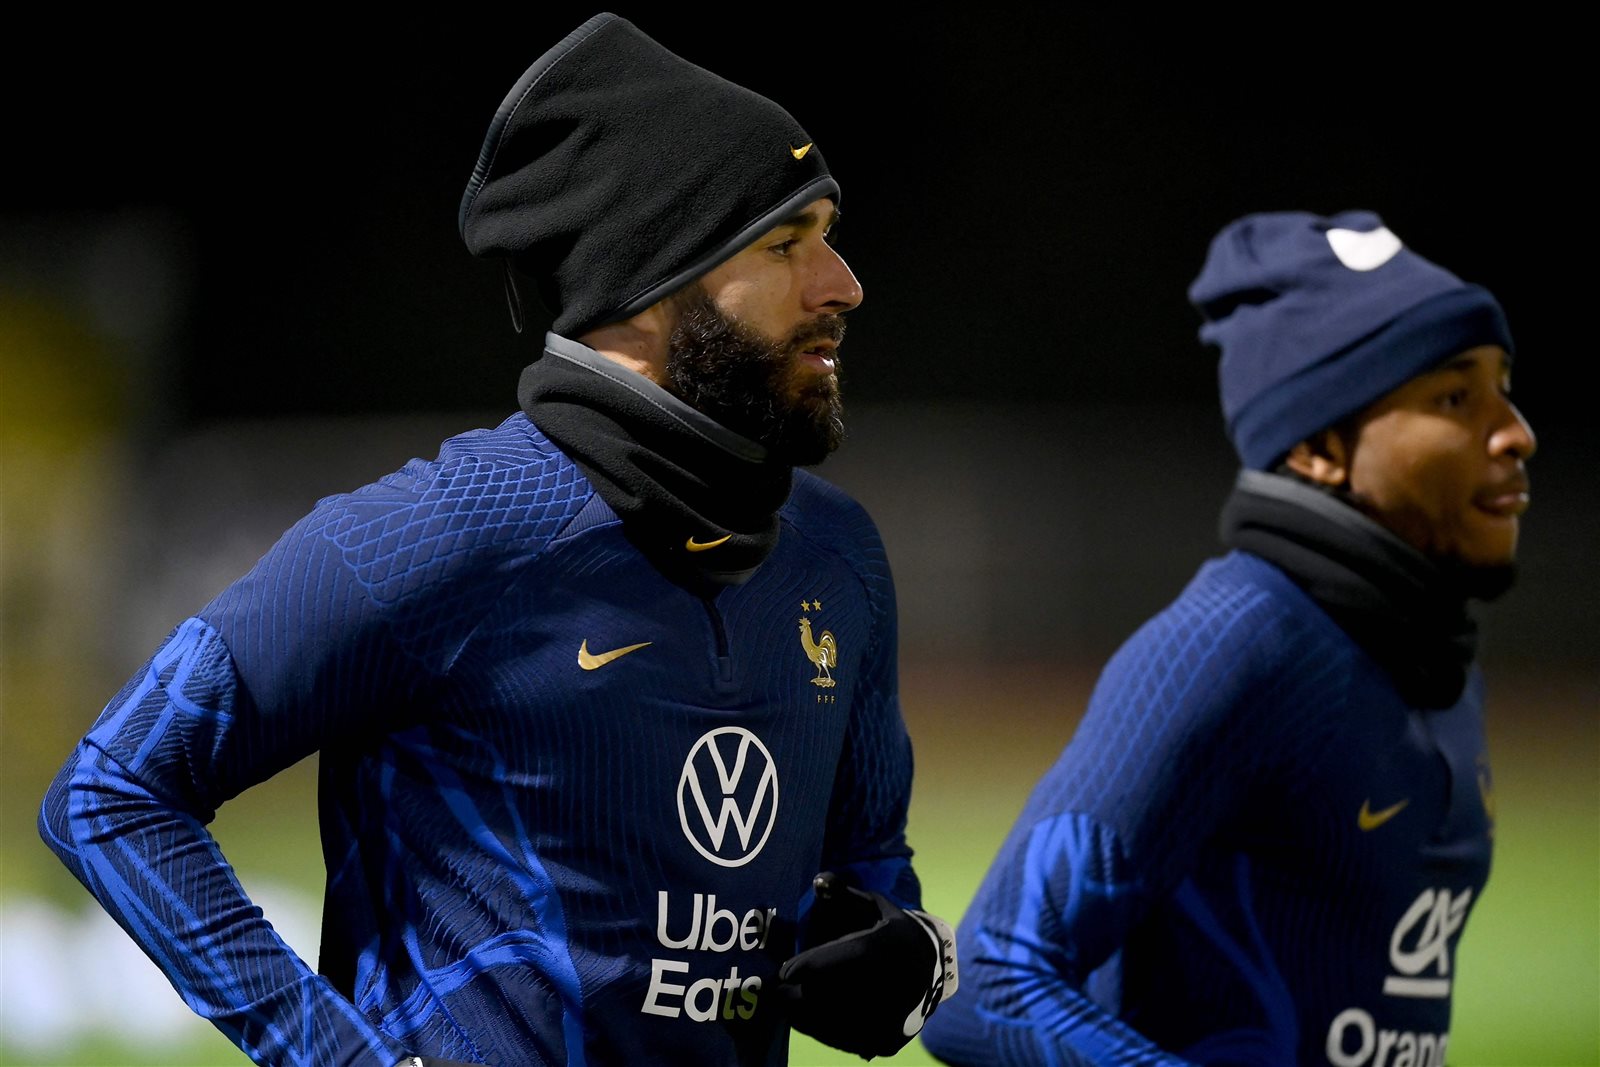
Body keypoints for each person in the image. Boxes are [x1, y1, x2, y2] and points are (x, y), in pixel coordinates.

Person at [38, 13, 956, 1066]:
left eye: (828, 235)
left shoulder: (837, 560)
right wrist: (336, 1055)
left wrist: (903, 951)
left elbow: (871, 865)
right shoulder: (439, 534)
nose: (843, 282)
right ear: (650, 285)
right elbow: (111, 792)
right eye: (786, 245)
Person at [919, 209, 1534, 1067]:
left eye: (1505, 385)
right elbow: (986, 987)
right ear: (1318, 446)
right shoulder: (1236, 643)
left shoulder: (1436, 666)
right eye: (1455, 398)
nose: (1516, 431)